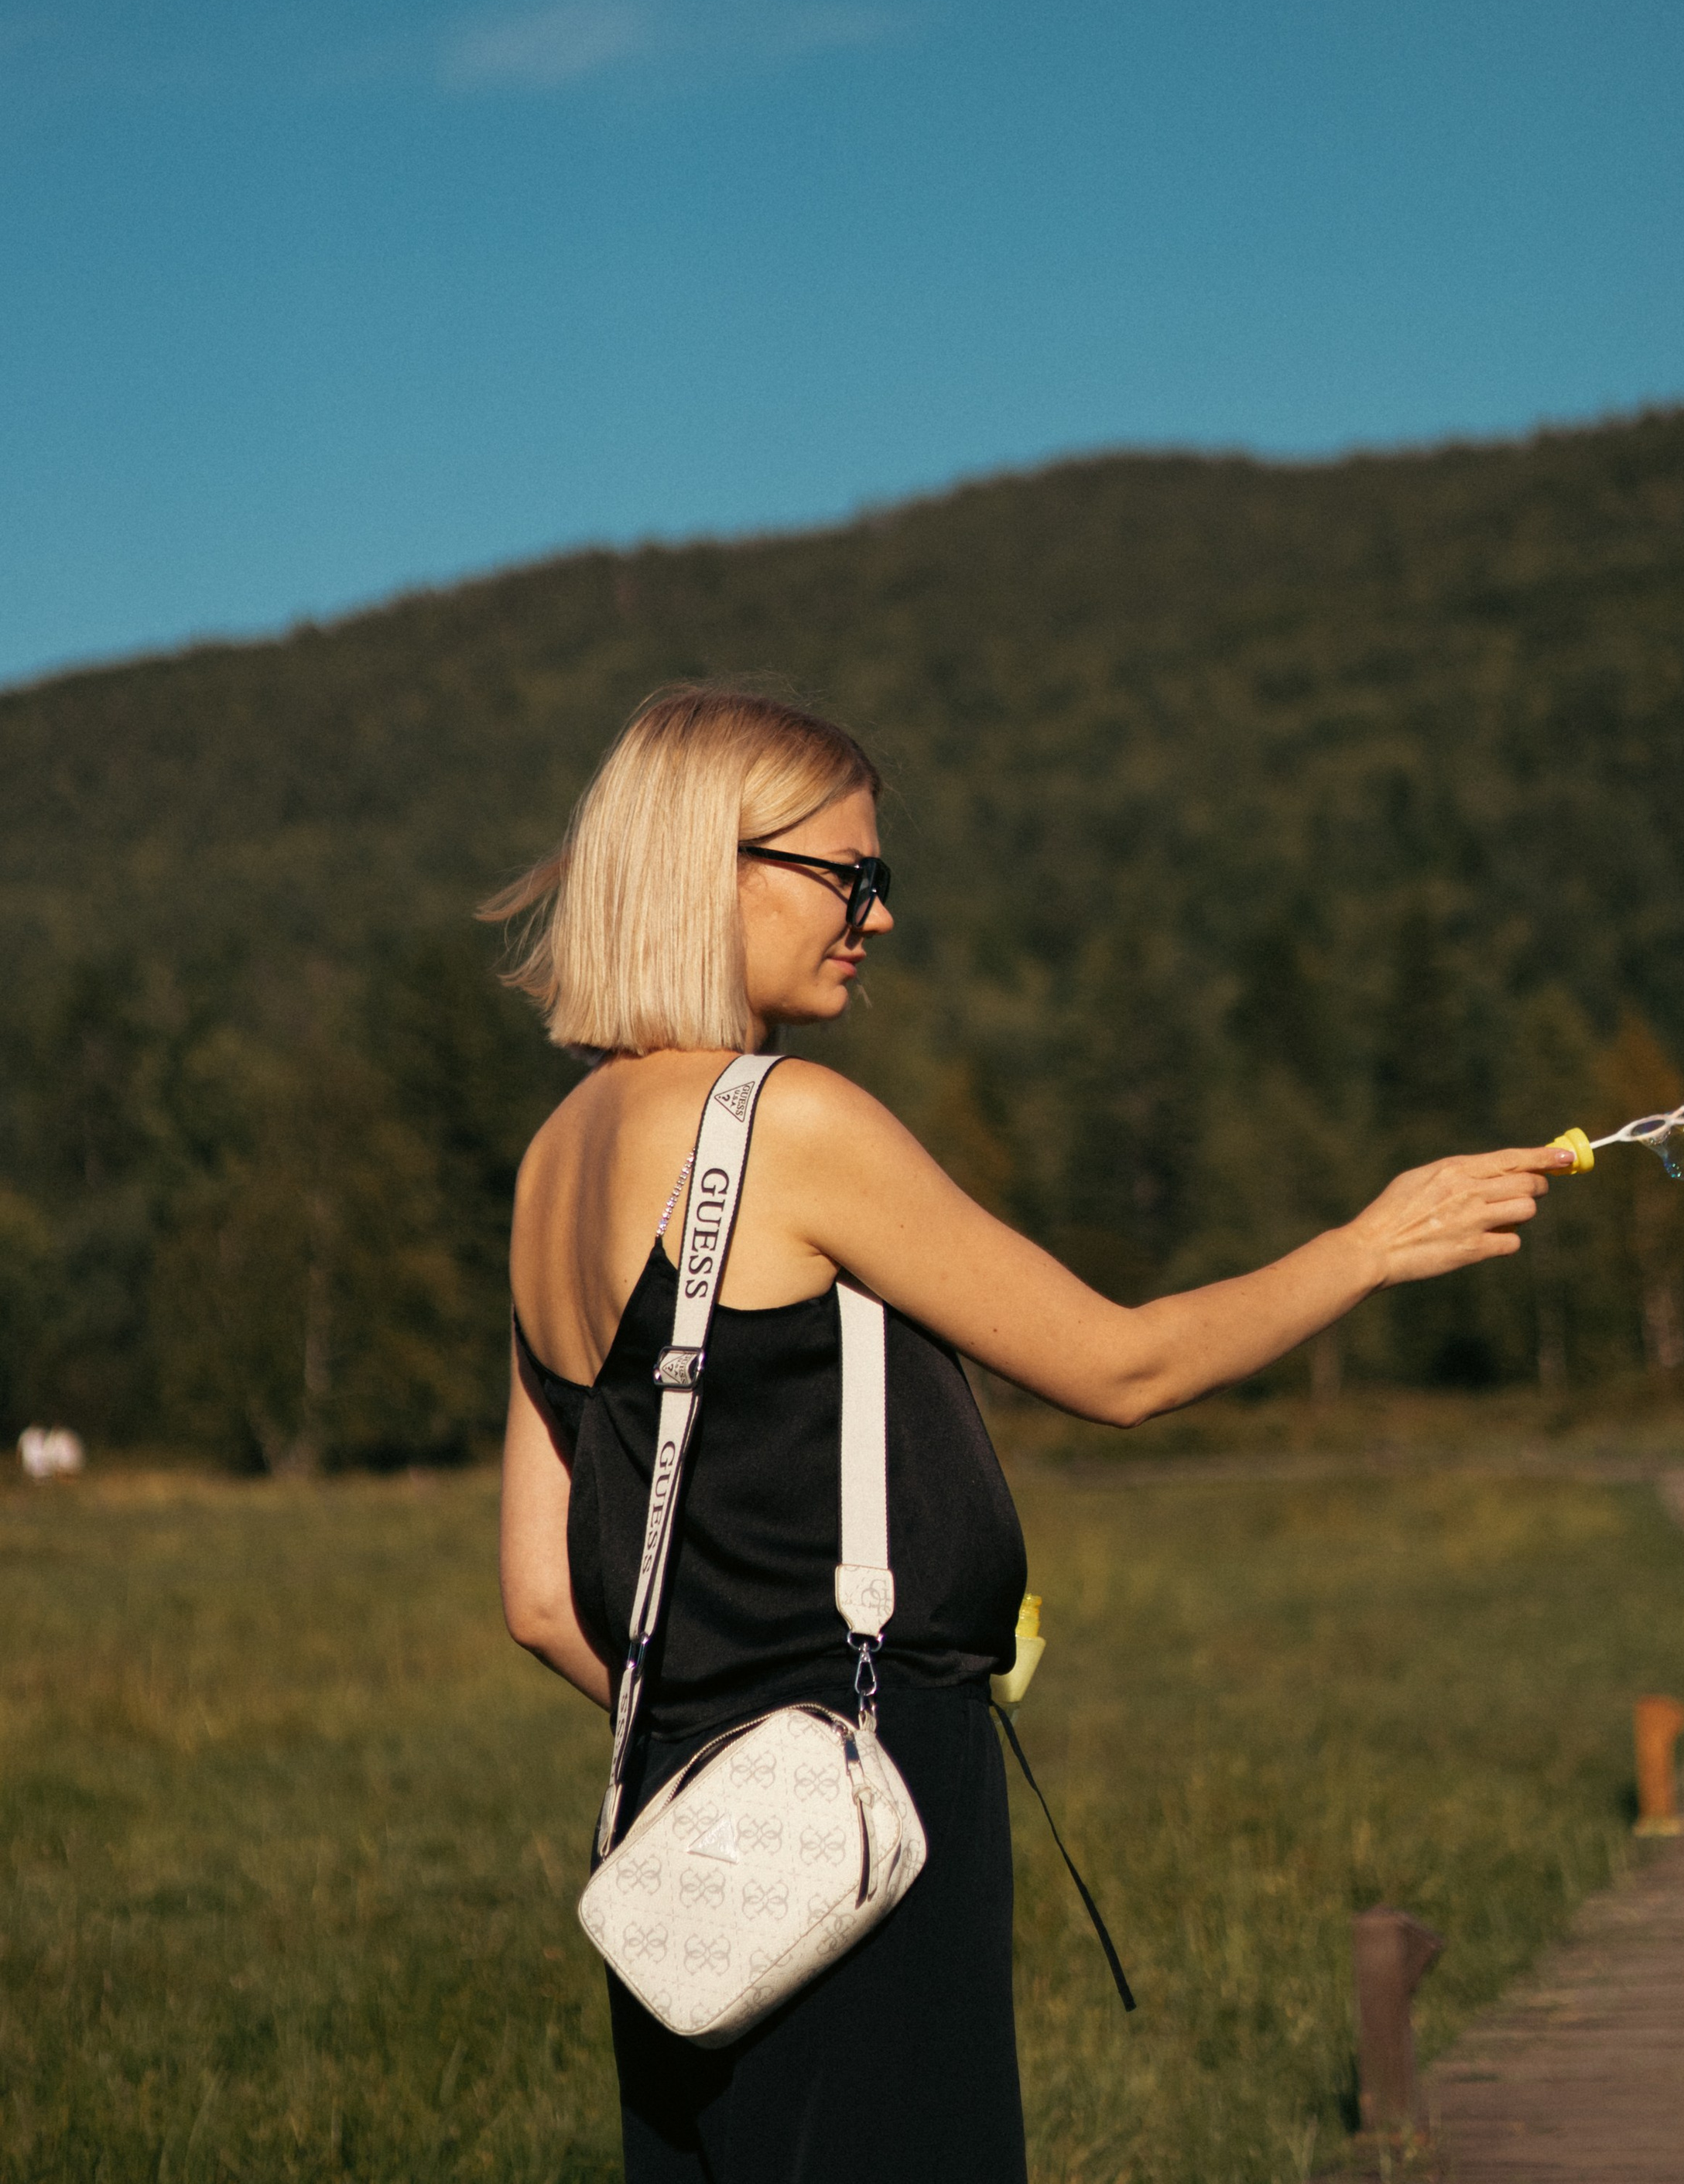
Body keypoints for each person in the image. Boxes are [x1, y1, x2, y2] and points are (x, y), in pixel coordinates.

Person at [491, 685, 1565, 2184]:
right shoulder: (786, 1124)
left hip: (678, 1829)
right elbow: (1121, 1367)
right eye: (843, 876)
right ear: (705, 864)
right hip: (867, 1792)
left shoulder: (552, 1163)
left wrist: (718, 1746)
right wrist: (1370, 1244)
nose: (874, 917)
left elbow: (540, 1601)